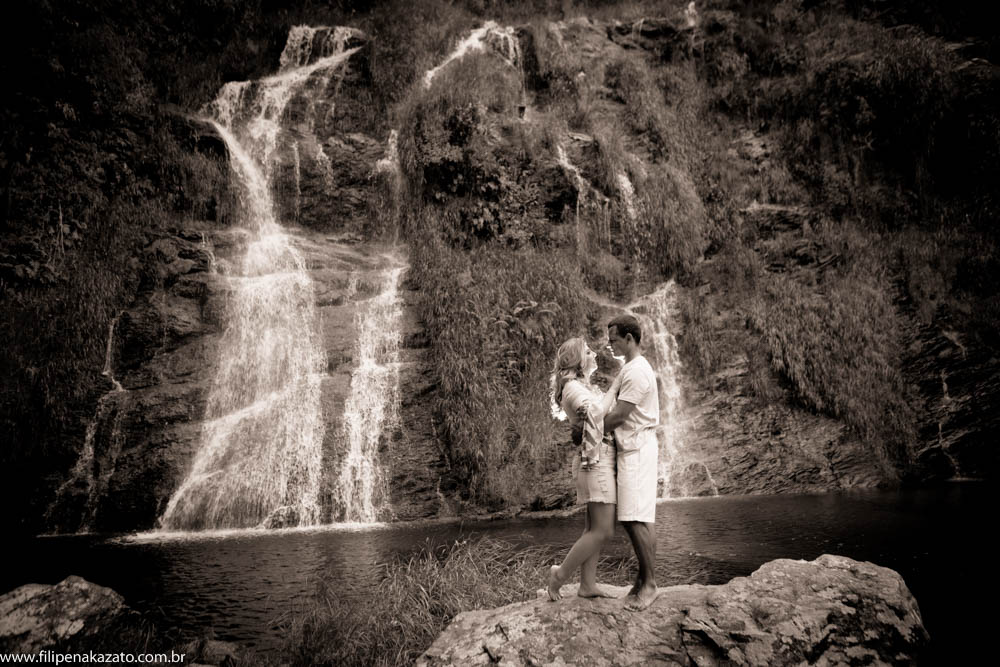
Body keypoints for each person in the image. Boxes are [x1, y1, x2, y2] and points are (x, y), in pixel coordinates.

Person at [546, 337, 617, 601]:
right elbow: (595, 414)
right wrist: (616, 388)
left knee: (593, 529)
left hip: (596, 459)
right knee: (603, 530)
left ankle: (587, 584)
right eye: (588, 351)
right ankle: (560, 575)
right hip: (594, 463)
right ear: (577, 359)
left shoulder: (578, 385)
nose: (593, 353)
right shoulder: (573, 388)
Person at [603, 314, 660, 611]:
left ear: (629, 338)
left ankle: (650, 584)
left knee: (632, 518)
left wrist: (589, 430)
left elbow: (620, 416)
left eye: (613, 339)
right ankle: (642, 581)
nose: (609, 344)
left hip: (637, 449)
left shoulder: (637, 371)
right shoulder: (632, 367)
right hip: (636, 448)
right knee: (639, 517)